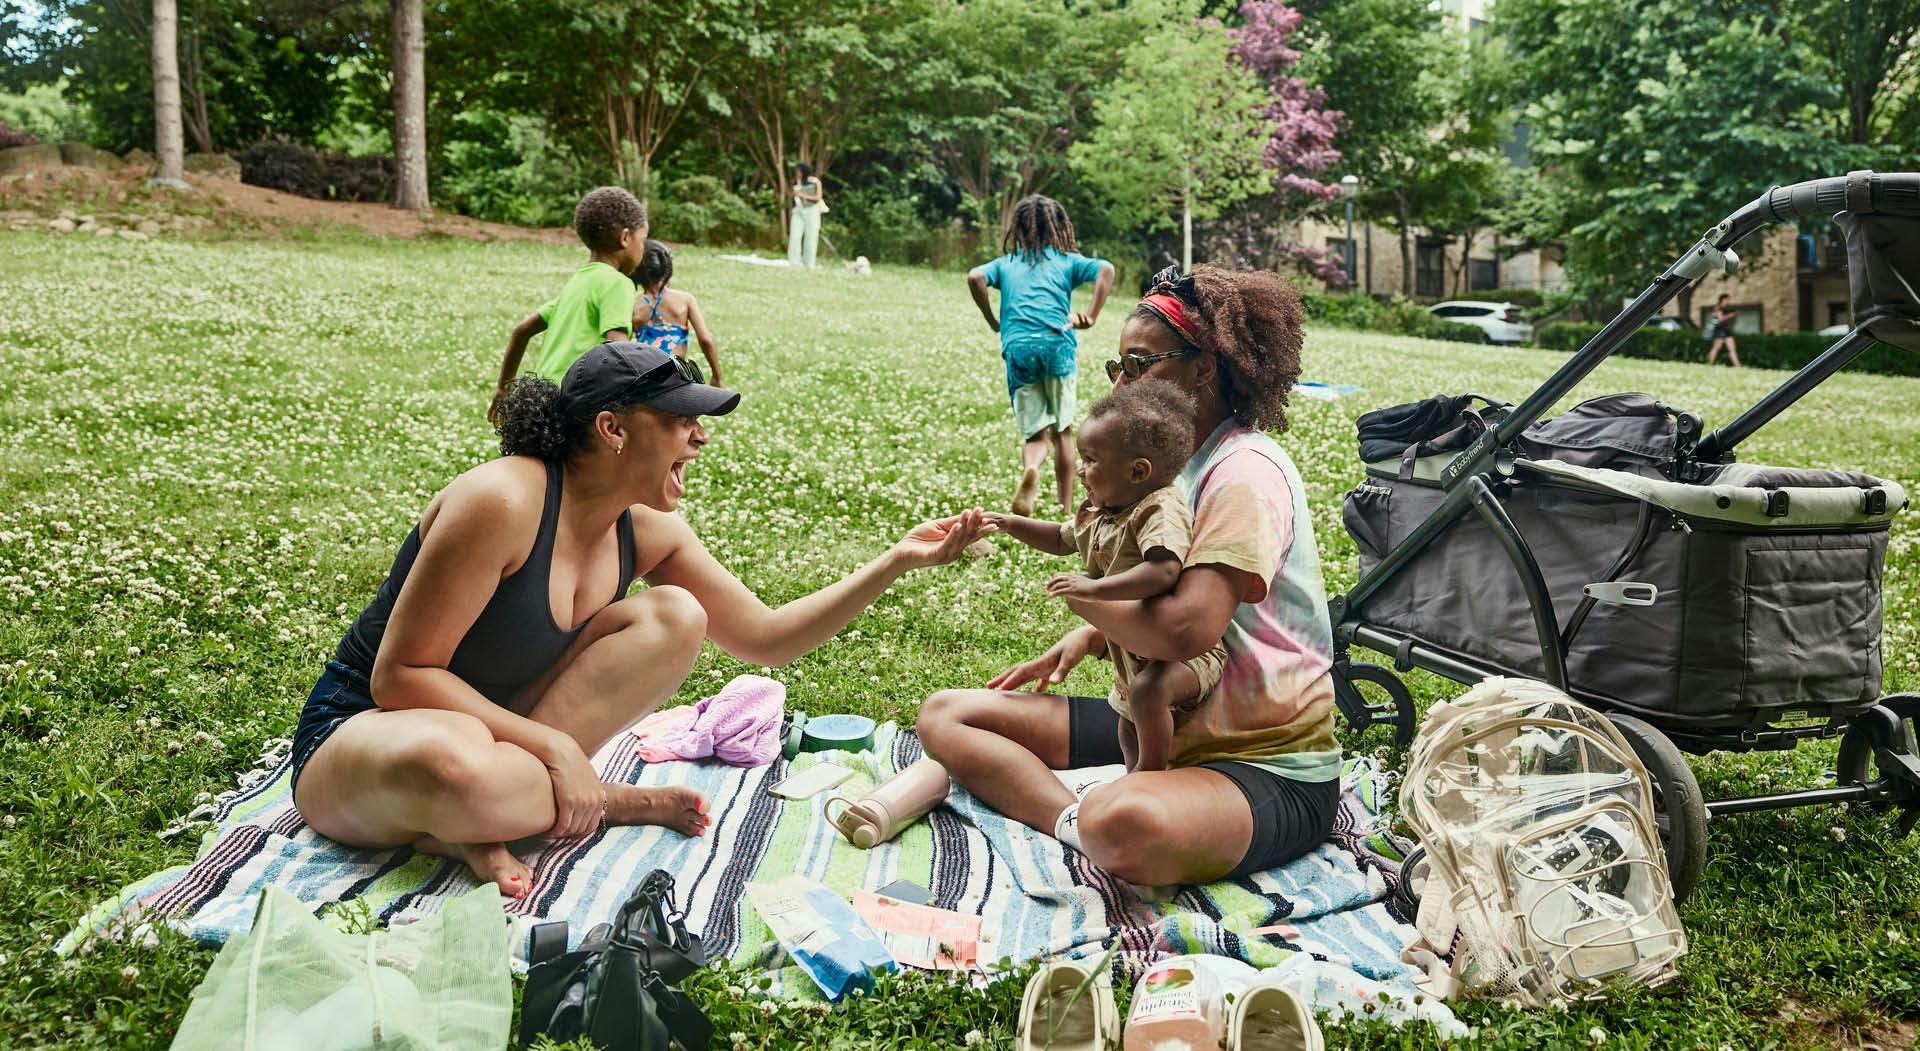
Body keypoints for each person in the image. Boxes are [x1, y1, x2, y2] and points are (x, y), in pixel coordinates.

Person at [292, 341, 990, 896]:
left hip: (508, 741)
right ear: (612, 429)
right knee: (450, 767)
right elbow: (401, 675)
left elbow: (769, 639)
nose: (700, 439)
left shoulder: (645, 529)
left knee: (676, 614)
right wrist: (557, 747)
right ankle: (567, 802)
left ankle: (491, 817)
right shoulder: (501, 502)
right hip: (365, 731)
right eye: (681, 420)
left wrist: (896, 561)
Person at [919, 265, 1340, 890]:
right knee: (947, 715)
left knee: (1123, 821)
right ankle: (1073, 820)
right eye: (1117, 368)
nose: (1123, 384)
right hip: (1166, 716)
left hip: (1264, 760)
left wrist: (1084, 605)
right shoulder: (1169, 468)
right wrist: (1087, 640)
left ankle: (1109, 812)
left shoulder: (1243, 473)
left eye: (1140, 365)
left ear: (1204, 368)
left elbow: (1185, 630)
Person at [984, 378, 1228, 774]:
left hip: (1187, 656)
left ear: (1137, 471)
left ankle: (1150, 779)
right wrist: (1011, 524)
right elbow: (1060, 539)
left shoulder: (1158, 509)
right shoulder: (1103, 511)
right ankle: (1135, 779)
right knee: (1127, 721)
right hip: (1133, 653)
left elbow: (1163, 569)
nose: (1081, 472)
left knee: (1148, 695)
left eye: (1091, 460)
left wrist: (1096, 589)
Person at [967, 194, 1115, 516]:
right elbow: (1106, 269)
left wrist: (994, 320)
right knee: (1062, 431)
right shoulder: (1067, 261)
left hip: (1019, 348)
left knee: (1035, 435)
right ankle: (1064, 508)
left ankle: (1031, 469)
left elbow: (975, 277)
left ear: (1018, 229)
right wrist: (1090, 314)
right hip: (1057, 344)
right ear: (1059, 228)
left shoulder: (1007, 264)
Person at [489, 187, 648, 423]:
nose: (643, 249)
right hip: (577, 402)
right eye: (643, 240)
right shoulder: (619, 283)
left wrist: (503, 389)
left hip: (542, 399)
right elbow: (618, 349)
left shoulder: (577, 282)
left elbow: (521, 330)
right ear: (625, 237)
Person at [632, 240, 724, 387]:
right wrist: (717, 377)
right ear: (668, 268)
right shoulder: (685, 300)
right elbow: (705, 340)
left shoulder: (634, 304)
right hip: (675, 375)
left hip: (644, 376)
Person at [787, 163, 825, 269]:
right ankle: (793, 262)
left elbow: (818, 197)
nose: (797, 173)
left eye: (799, 171)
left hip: (812, 211)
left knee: (811, 238)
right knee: (795, 236)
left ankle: (809, 263)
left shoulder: (815, 182)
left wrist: (803, 195)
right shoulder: (796, 182)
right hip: (799, 211)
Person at [1706, 294, 1741, 367]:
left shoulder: (1728, 308)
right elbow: (1720, 319)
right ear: (1723, 299)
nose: (1728, 301)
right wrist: (1730, 316)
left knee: (1732, 349)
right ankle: (1709, 364)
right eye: (1727, 299)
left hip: (1727, 330)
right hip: (1720, 330)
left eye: (1729, 299)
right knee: (1716, 348)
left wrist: (1734, 315)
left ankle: (1738, 366)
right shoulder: (1719, 308)